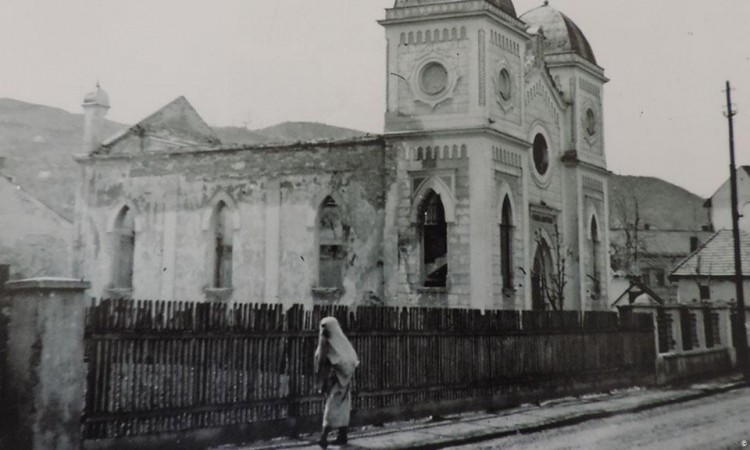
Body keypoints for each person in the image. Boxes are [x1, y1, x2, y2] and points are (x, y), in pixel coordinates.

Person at [314, 316, 359, 448]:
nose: (322, 330)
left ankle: (324, 437)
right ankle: (342, 436)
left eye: (325, 327)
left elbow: (322, 362)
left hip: (336, 379)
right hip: (343, 378)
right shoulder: (340, 341)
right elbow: (351, 359)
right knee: (343, 406)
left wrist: (321, 381)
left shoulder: (327, 342)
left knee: (332, 407)